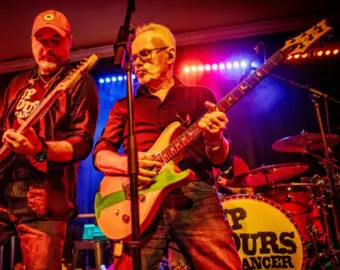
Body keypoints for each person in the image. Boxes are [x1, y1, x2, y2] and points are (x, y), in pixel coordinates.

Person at [0, 9, 99, 270]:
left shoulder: (79, 82)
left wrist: (40, 149)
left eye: (55, 41)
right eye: (41, 41)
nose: (47, 48)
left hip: (43, 198)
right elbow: (0, 133)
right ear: (32, 43)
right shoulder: (18, 83)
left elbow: (82, 143)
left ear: (69, 41)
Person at [93, 23, 241, 269]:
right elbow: (100, 156)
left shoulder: (198, 95)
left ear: (170, 54)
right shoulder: (125, 105)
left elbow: (220, 161)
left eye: (145, 54)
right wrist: (127, 163)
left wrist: (215, 140)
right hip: (139, 201)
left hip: (194, 195)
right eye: (134, 57)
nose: (138, 62)